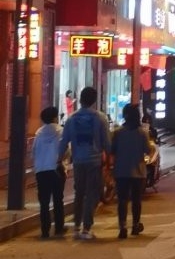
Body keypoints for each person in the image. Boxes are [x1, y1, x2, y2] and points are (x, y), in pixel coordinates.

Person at [57, 86, 111, 240]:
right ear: (94, 100)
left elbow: (64, 141)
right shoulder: (100, 118)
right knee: (92, 194)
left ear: (80, 99)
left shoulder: (72, 119)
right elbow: (107, 143)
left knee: (79, 193)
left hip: (78, 161)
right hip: (94, 161)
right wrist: (110, 156)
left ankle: (76, 226)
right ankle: (86, 228)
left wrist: (58, 159)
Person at [111, 104, 151, 239]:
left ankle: (122, 227)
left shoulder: (118, 132)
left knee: (122, 200)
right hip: (138, 172)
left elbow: (112, 150)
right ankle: (135, 225)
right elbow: (147, 150)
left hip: (121, 171)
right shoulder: (142, 133)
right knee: (136, 200)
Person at [32, 106, 66, 240]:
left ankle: (45, 230)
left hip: (41, 170)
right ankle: (59, 228)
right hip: (56, 169)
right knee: (58, 199)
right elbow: (66, 150)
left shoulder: (38, 133)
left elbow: (34, 152)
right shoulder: (61, 131)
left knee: (44, 202)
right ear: (55, 117)